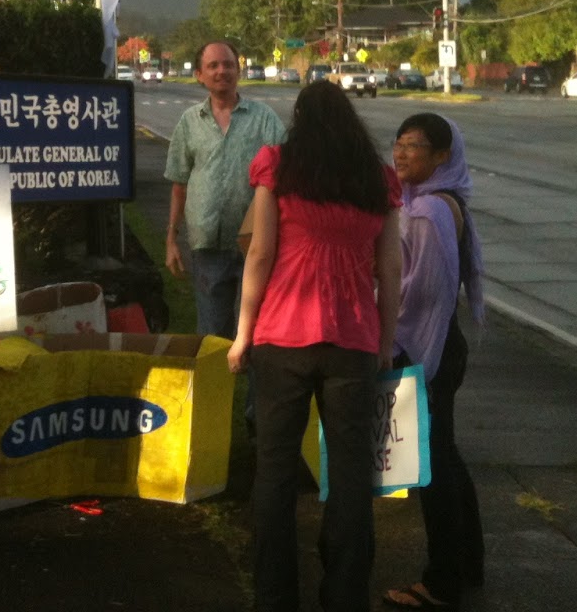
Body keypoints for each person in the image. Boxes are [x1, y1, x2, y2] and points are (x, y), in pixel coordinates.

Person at [228, 80, 403, 612]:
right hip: (352, 340)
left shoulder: (278, 168)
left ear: (300, 119)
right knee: (351, 475)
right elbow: (391, 270)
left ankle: (275, 596)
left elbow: (260, 254)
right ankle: (346, 595)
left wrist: (242, 334)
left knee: (275, 472)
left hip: (282, 336)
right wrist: (386, 340)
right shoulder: (378, 181)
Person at [381, 113, 486, 610]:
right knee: (446, 456)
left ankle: (441, 582)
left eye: (414, 146)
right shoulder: (441, 200)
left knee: (432, 468)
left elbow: (420, 293)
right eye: (398, 144)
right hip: (443, 343)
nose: (401, 154)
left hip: (427, 346)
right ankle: (468, 563)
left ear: (442, 156)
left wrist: (396, 346)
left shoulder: (427, 211)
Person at [163, 40, 286, 337]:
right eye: (213, 66)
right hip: (208, 247)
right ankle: (215, 384)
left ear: (238, 70)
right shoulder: (190, 122)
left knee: (259, 332)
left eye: (228, 64)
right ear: (199, 75)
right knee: (212, 336)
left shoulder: (264, 119)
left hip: (257, 245)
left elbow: (286, 178)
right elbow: (179, 183)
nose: (222, 71)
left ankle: (257, 383)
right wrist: (171, 240)